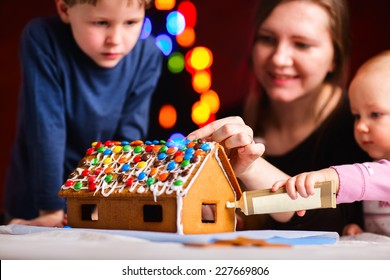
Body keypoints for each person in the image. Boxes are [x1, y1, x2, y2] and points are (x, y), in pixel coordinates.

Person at [187, 0, 371, 235]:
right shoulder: (231, 121)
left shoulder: (361, 128)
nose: (279, 59)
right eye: (267, 39)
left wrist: (250, 165)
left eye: (302, 44)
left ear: (335, 56)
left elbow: (332, 225)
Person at [4, 0, 162, 227]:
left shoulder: (147, 55)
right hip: (37, 202)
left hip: (99, 200)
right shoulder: (42, 38)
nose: (115, 40)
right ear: (65, 9)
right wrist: (50, 209)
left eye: (131, 22)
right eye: (100, 22)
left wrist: (104, 204)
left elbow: (127, 140)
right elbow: (47, 129)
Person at [272, 50, 390, 236]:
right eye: (357, 116)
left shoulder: (376, 173)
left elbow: (364, 179)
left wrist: (329, 177)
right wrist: (363, 230)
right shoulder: (375, 164)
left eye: (375, 114)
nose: (360, 126)